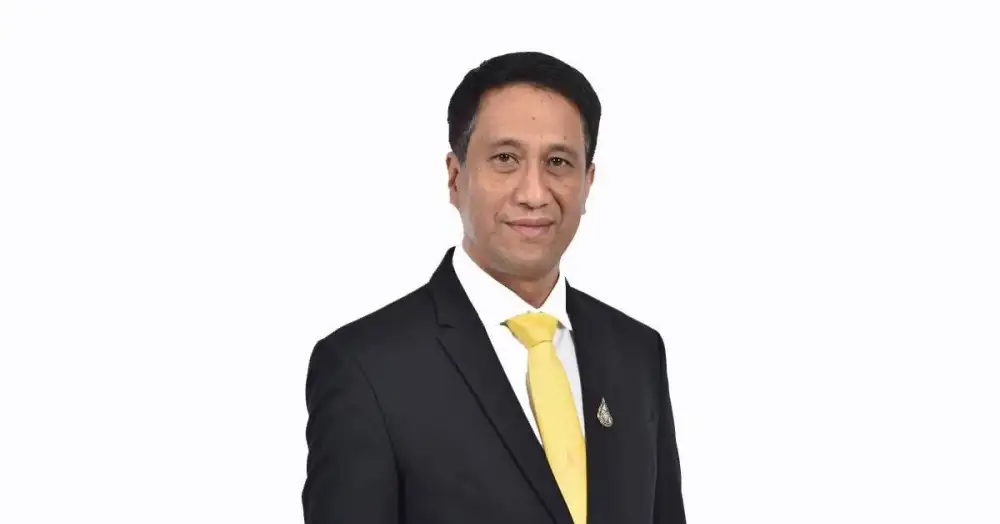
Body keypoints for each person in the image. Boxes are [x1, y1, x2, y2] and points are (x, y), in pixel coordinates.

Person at [302, 51, 686, 524]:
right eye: (505, 159)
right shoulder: (366, 368)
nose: (534, 193)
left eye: (558, 162)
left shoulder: (637, 353)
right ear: (455, 177)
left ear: (587, 182)